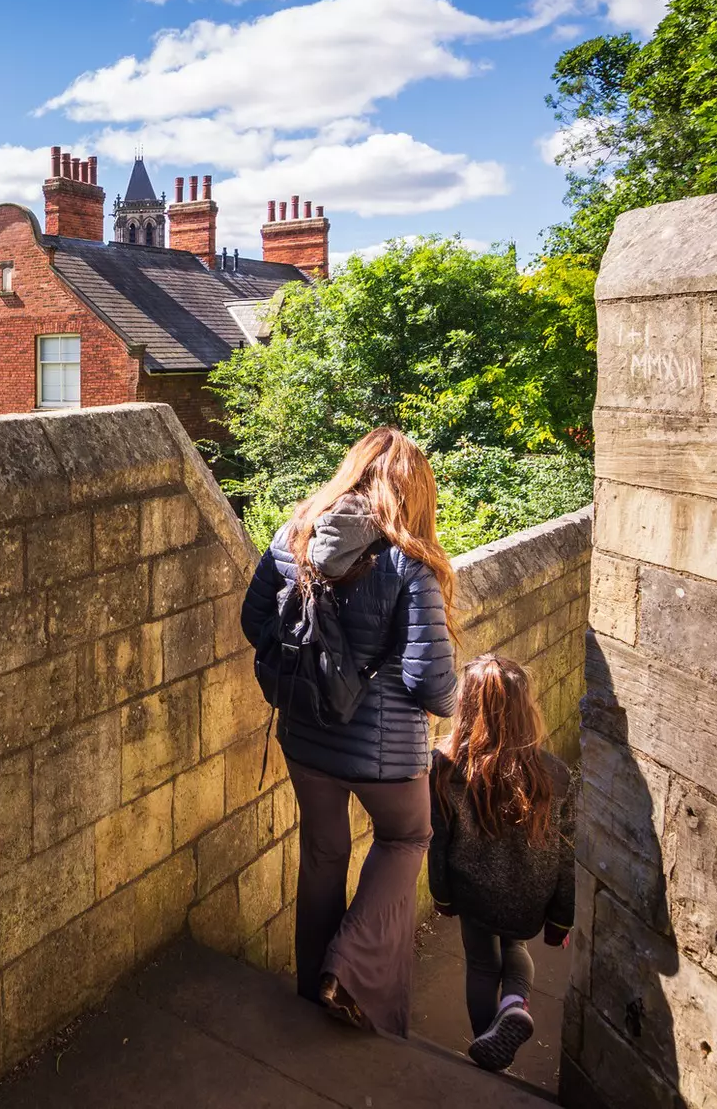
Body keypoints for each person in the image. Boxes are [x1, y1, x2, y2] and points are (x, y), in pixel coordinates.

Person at [240, 426, 459, 1037]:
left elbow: (253, 617)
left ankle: (313, 991)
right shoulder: (408, 561)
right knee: (407, 838)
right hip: (385, 756)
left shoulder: (295, 537)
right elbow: (430, 684)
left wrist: (306, 666)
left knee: (323, 855)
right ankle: (349, 970)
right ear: (412, 489)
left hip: (306, 737)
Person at [429, 656, 576, 1073]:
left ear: (466, 707)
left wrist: (441, 895)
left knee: (480, 962)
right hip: (530, 894)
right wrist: (562, 918)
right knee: (515, 947)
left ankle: (485, 1045)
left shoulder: (445, 768)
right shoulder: (557, 775)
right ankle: (514, 1004)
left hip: (472, 890)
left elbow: (437, 841)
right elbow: (568, 855)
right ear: (525, 710)